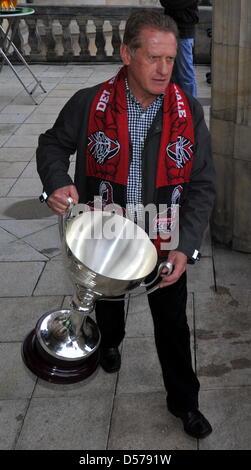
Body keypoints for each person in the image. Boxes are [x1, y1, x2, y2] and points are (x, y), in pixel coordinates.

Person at [36, 9, 215, 440]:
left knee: (173, 325)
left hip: (162, 235)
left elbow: (203, 183)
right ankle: (110, 342)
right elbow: (51, 146)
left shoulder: (187, 109)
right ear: (126, 54)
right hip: (105, 233)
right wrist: (58, 184)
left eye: (170, 59)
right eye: (153, 57)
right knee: (108, 302)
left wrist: (186, 245)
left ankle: (184, 402)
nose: (164, 69)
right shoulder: (88, 102)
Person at [159, 0, 199, 96]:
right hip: (170, 30)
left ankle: (191, 106)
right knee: (171, 72)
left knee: (185, 73)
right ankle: (175, 103)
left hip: (184, 33)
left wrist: (171, 4)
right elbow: (165, 2)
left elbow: (171, 3)